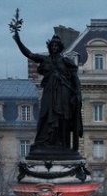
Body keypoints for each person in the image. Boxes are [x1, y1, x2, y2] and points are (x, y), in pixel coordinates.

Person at [11, 11, 82, 156]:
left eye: (56, 46)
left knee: (63, 118)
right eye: (52, 46)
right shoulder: (46, 60)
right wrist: (18, 40)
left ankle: (62, 144)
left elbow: (75, 79)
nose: (54, 48)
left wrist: (78, 94)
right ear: (50, 47)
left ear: (60, 47)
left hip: (63, 93)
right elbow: (29, 54)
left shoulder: (66, 62)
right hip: (49, 92)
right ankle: (44, 141)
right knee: (45, 115)